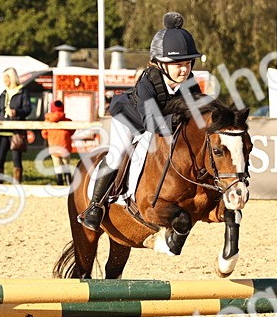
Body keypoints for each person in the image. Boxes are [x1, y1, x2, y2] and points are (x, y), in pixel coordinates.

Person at [79, 12, 204, 230]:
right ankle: (95, 206)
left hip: (161, 123)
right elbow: (150, 123)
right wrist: (178, 118)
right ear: (161, 64)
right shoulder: (148, 81)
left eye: (187, 63)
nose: (184, 69)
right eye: (177, 64)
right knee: (117, 155)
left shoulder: (189, 82)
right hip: (130, 120)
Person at [0, 68, 31, 182]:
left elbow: (27, 109)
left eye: (6, 77)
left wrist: (16, 112)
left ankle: (17, 183)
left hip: (16, 132)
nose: (4, 80)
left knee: (16, 159)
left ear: (11, 78)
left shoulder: (22, 92)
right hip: (2, 131)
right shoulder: (4, 93)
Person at [42, 100, 75, 186]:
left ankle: (59, 182)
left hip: (54, 148)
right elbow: (72, 131)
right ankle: (68, 182)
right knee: (66, 164)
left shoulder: (47, 121)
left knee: (57, 165)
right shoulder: (68, 121)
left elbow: (44, 134)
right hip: (65, 147)